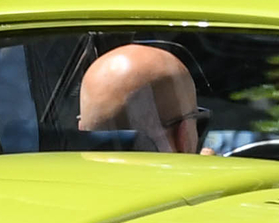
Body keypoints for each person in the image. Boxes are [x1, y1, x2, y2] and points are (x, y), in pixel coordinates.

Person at [76, 42, 206, 153]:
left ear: (81, 130)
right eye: (198, 123)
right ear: (184, 137)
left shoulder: (59, 178)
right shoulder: (214, 181)